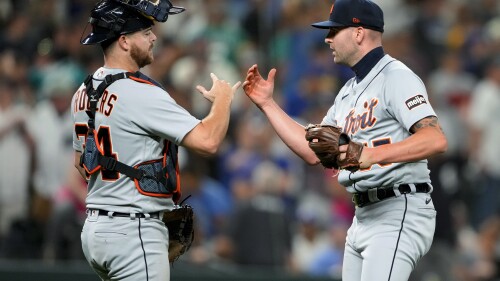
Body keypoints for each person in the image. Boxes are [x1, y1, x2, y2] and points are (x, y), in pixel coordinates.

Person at [242, 0, 448, 280]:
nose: (327, 38)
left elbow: (435, 139)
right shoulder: (347, 92)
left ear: (358, 33)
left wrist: (370, 155)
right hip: (362, 215)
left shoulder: (396, 76)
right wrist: (268, 105)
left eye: (334, 31)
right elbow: (312, 150)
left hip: (398, 207)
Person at [71, 1, 240, 280]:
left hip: (95, 230)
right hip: (133, 231)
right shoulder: (140, 92)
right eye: (146, 32)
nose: (154, 38)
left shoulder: (83, 90)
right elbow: (208, 141)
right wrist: (223, 101)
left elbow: (81, 163)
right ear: (124, 41)